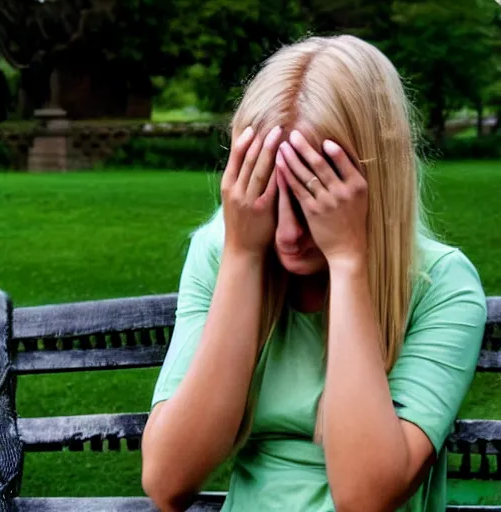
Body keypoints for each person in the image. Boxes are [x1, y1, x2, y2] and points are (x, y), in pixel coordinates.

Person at [141, 34, 487, 512]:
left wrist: (348, 263)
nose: (286, 233)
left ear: (375, 184)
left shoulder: (443, 286)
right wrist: (243, 256)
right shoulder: (222, 254)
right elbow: (168, 480)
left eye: (312, 202)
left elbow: (365, 497)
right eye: (269, 195)